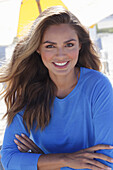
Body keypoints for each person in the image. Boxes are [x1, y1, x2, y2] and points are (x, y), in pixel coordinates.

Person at [0, 6, 113, 170]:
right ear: (38, 48)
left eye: (69, 44)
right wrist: (64, 160)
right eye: (50, 46)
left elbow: (106, 163)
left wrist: (44, 162)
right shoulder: (28, 89)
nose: (61, 54)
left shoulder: (98, 86)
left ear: (80, 45)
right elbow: (9, 159)